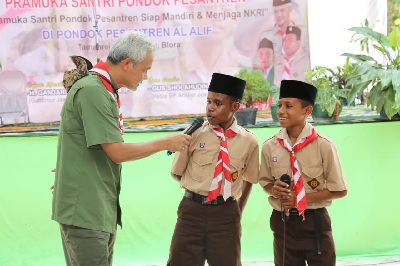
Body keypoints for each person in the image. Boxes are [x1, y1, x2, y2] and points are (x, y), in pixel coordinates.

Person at [51, 30, 192, 266]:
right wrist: (166, 143)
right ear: (127, 63)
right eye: (145, 69)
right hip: (86, 210)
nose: (145, 76)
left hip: (97, 206)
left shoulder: (102, 89)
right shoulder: (93, 90)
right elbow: (116, 152)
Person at [167, 73, 260, 266]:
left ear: (235, 107)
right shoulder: (194, 134)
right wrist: (199, 189)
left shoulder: (249, 141)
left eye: (218, 103)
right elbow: (177, 172)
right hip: (191, 212)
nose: (210, 107)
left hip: (226, 215)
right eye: (208, 101)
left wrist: (236, 211)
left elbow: (249, 179)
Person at [258, 80, 347, 266]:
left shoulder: (324, 146)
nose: (281, 110)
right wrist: (273, 189)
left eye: (288, 106)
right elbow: (265, 182)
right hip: (283, 222)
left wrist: (302, 199)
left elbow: (339, 190)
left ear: (307, 111)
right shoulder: (269, 147)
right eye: (279, 105)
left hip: (314, 223)